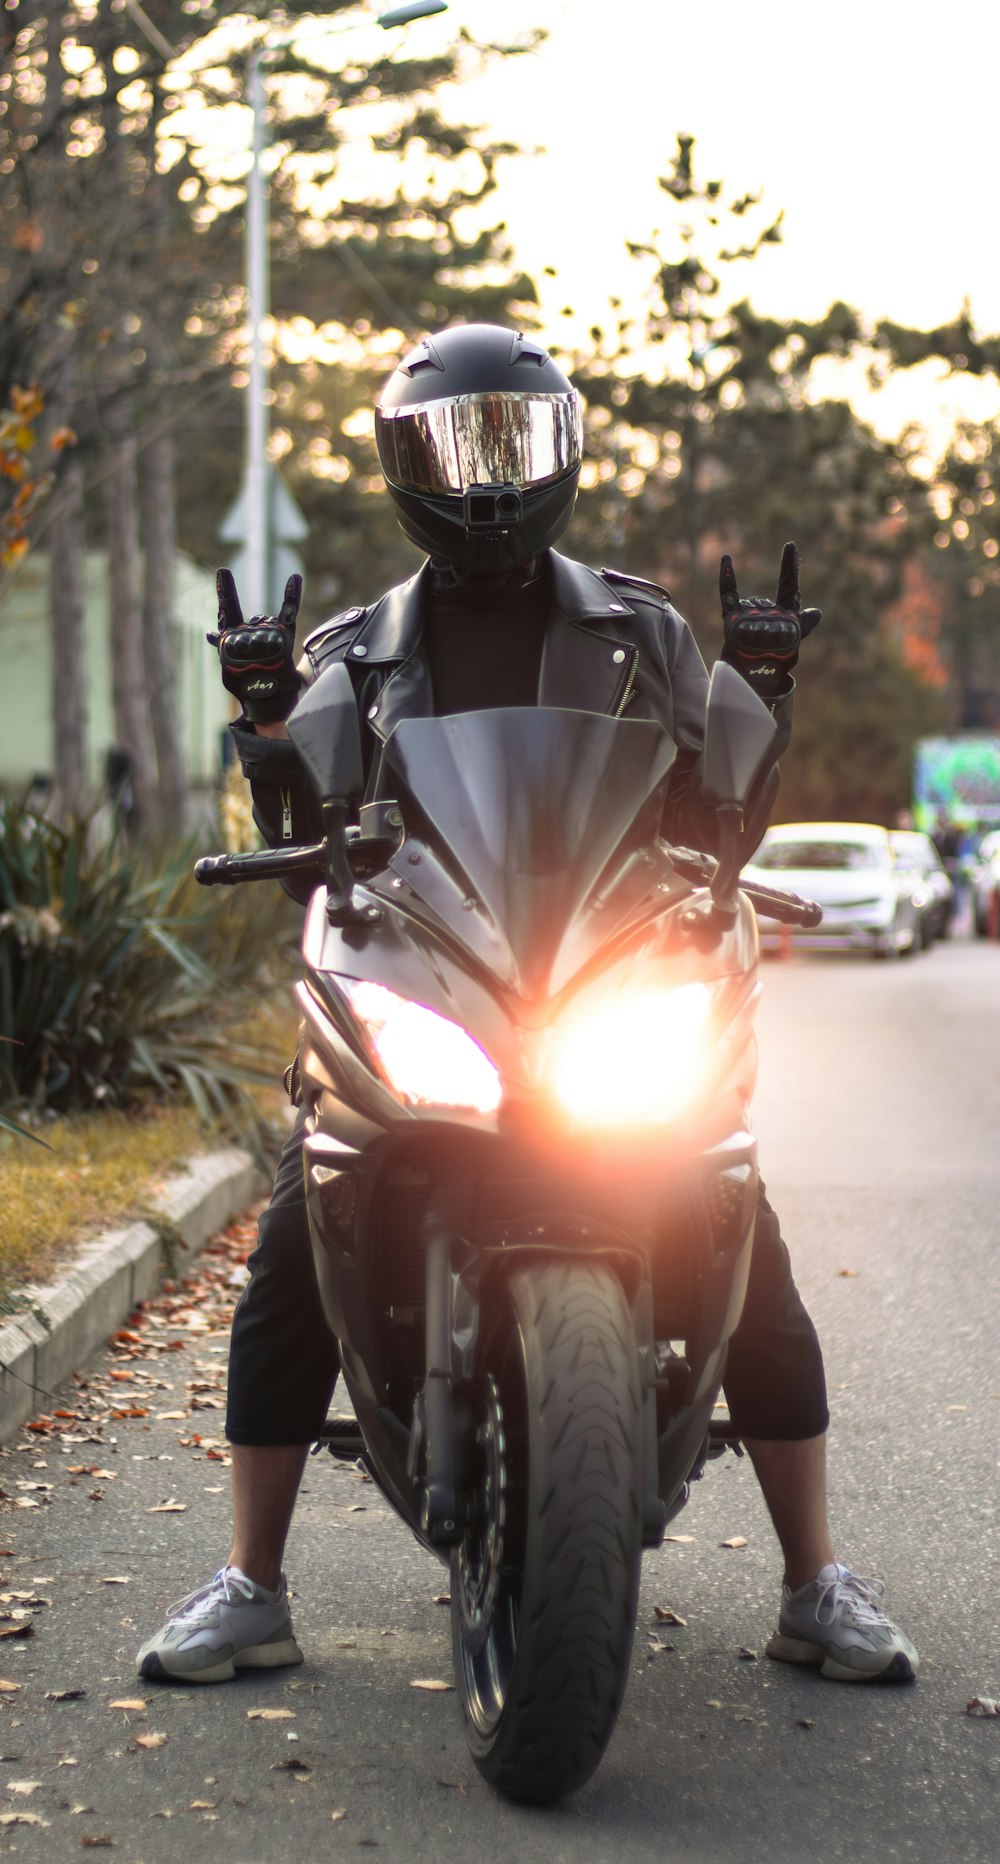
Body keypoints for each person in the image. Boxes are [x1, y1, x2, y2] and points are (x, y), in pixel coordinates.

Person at [137, 324, 917, 1688]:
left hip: (603, 988)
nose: (489, 480)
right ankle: (250, 1583)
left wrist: (766, 701)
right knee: (296, 1240)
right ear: (403, 467)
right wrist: (268, 730)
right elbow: (303, 858)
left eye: (515, 440)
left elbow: (713, 828)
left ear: (560, 451)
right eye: (458, 446)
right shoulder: (351, 652)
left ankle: (815, 1580)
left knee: (750, 1241)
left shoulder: (644, 633)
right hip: (431, 987)